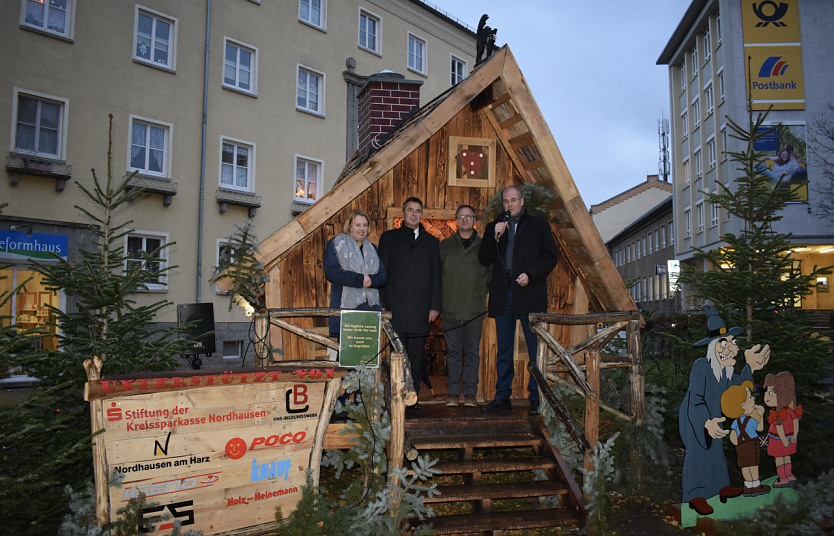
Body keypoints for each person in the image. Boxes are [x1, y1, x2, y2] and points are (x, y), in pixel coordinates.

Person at [679, 305, 770, 516]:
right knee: (697, 454)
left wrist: (750, 367)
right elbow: (696, 398)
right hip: (694, 420)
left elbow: (739, 389)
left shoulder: (728, 372)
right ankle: (695, 496)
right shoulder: (702, 366)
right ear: (713, 347)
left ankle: (721, 487)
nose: (729, 347)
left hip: (715, 419)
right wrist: (706, 422)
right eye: (723, 343)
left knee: (716, 450)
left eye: (731, 342)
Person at [478, 186, 559, 415]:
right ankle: (502, 396)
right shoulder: (495, 226)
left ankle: (535, 397)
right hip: (503, 296)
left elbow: (550, 257)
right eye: (506, 201)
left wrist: (531, 275)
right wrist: (494, 235)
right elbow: (483, 259)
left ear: (522, 201)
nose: (509, 205)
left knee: (534, 350)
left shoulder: (538, 224)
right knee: (503, 351)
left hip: (530, 295)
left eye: (513, 200)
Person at [378, 197, 442, 402]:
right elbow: (381, 273)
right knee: (396, 355)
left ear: (421, 214)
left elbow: (436, 277)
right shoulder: (389, 238)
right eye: (410, 210)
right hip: (394, 308)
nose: (414, 214)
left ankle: (411, 398)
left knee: (416, 357)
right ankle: (393, 397)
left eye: (418, 211)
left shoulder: (431, 242)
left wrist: (435, 306)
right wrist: (382, 303)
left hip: (420, 309)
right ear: (403, 213)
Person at [440, 204, 490, 408]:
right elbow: (437, 275)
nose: (465, 220)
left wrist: (478, 294)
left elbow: (490, 276)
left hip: (473, 311)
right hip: (449, 309)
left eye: (469, 216)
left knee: (471, 353)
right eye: (461, 217)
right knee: (452, 352)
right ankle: (453, 392)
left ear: (474, 221)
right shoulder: (444, 246)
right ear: (455, 220)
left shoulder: (484, 246)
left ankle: (470, 392)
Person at [324, 210, 387, 337]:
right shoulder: (336, 244)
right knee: (347, 354)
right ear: (349, 226)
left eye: (365, 225)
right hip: (346, 312)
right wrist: (360, 279)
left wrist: (371, 281)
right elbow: (331, 272)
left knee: (368, 355)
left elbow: (383, 276)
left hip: (370, 311)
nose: (362, 229)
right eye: (358, 225)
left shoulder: (372, 248)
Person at [721, 381, 769, 497]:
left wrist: (737, 444)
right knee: (753, 464)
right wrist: (761, 415)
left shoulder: (736, 421)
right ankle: (755, 485)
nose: (753, 399)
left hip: (741, 446)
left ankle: (748, 486)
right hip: (752, 443)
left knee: (744, 465)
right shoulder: (751, 419)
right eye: (750, 397)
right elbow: (760, 427)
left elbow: (733, 435)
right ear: (743, 405)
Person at [763, 371, 801, 487]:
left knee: (779, 458)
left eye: (770, 393)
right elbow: (795, 422)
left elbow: (779, 427)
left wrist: (784, 439)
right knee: (787, 457)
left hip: (779, 440)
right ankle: (789, 475)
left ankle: (783, 478)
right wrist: (794, 435)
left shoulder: (778, 414)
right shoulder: (789, 411)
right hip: (790, 438)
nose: (766, 396)